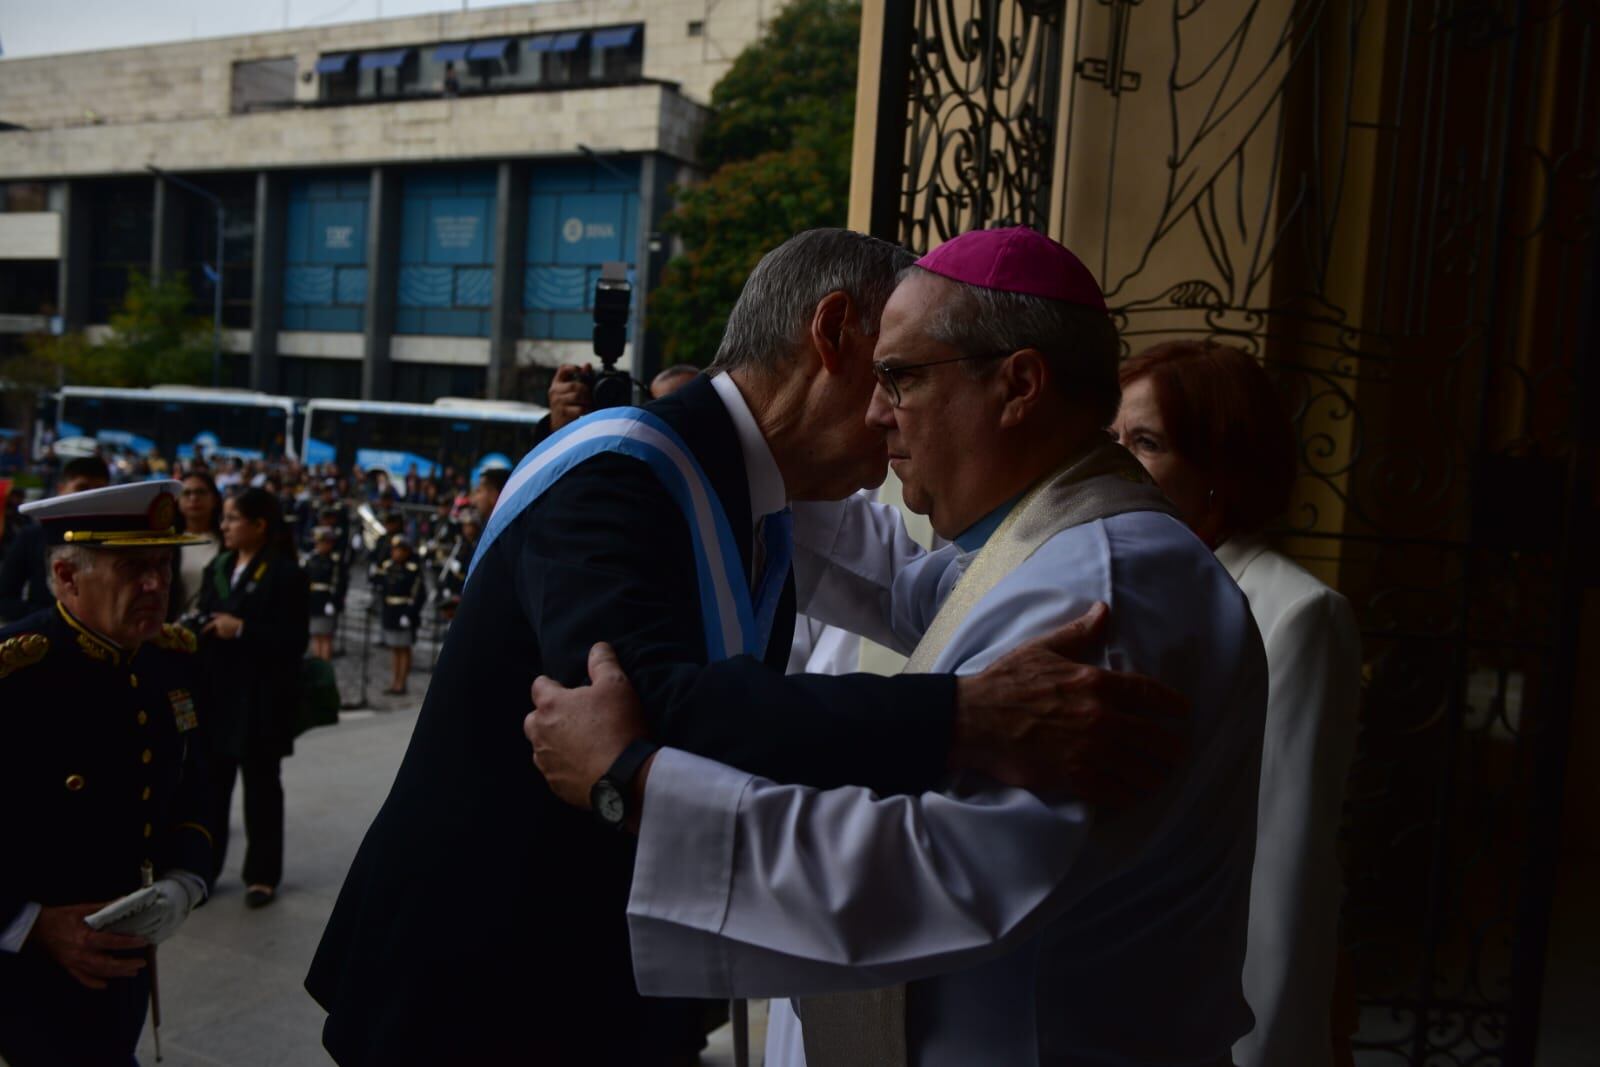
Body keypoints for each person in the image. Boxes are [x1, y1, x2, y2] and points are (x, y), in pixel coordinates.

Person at [307, 228, 1186, 1065]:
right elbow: (638, 706)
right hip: (478, 985)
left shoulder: (753, 485)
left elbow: (909, 587)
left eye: (906, 379)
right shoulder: (621, 476)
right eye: (887, 374)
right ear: (833, 332)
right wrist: (961, 717)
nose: (890, 415)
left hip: (578, 980)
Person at [524, 228, 1268, 1066]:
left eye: (901, 377)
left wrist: (636, 783)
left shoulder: (1105, 589)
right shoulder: (1056, 544)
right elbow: (894, 581)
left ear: (1018, 384)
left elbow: (945, 871)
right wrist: (760, 440)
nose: (878, 412)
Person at [1112, 340, 1363, 1067]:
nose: (1118, 463)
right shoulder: (1111, 586)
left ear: (1218, 470)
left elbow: (1285, 863)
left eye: (1148, 442)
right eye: (1113, 440)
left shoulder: (1296, 614)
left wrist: (1256, 1051)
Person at [0, 480, 214, 1064]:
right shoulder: (18, 676)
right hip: (23, 977)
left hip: (124, 959)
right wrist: (29, 922)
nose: (155, 585)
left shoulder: (168, 659)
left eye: (164, 566)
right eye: (132, 567)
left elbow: (194, 787)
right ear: (68, 578)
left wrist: (185, 880)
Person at [196, 487, 310, 910]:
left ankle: (262, 875)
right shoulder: (220, 566)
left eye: (232, 518)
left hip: (261, 700)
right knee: (211, 790)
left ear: (259, 526)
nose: (223, 526)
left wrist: (241, 629)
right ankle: (203, 870)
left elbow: (295, 639)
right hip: (218, 694)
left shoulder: (286, 575)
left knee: (262, 790)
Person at [0, 455, 111, 622]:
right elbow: (4, 598)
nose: (90, 497)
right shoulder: (33, 537)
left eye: (98, 491)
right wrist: (49, 620)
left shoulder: (115, 540)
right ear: (62, 489)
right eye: (82, 488)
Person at [372, 534, 426, 695]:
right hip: (391, 612)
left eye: (400, 550)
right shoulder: (388, 566)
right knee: (394, 649)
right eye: (394, 550)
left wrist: (409, 614)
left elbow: (418, 595)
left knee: (404, 649)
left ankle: (402, 683)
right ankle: (395, 681)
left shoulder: (412, 570)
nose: (396, 554)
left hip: (404, 612)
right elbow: (380, 585)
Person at [175, 470, 223, 616]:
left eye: (201, 492)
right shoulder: (166, 543)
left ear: (214, 499)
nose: (194, 498)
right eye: (186, 493)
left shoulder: (227, 543)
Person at [305, 526, 346, 662]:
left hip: (327, 601)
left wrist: (334, 602)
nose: (319, 545)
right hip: (312, 600)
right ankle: (318, 665)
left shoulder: (335, 561)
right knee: (315, 635)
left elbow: (339, 584)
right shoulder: (312, 558)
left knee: (326, 637)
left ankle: (324, 665)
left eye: (322, 542)